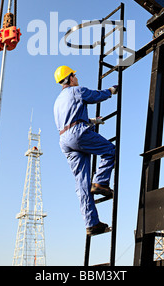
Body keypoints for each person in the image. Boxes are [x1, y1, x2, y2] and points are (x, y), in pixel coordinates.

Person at [53, 65, 118, 236]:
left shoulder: (58, 101)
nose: (76, 78)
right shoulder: (76, 91)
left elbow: (70, 120)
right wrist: (111, 90)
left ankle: (92, 224)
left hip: (65, 140)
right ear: (71, 78)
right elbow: (95, 96)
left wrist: (91, 121)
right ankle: (100, 182)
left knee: (81, 182)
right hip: (77, 134)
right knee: (110, 150)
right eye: (74, 75)